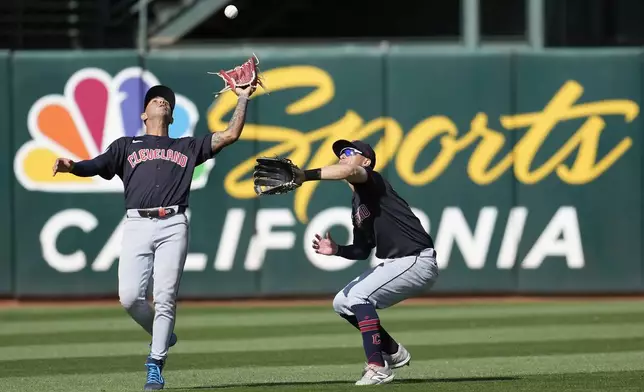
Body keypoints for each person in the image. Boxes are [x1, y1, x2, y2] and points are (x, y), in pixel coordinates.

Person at [52, 83, 255, 390]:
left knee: (165, 298)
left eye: (166, 101)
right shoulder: (126, 146)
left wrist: (241, 98)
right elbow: (96, 165)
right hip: (137, 224)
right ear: (143, 114)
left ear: (171, 116)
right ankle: (163, 333)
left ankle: (155, 363)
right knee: (130, 297)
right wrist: (73, 167)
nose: (161, 101)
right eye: (155, 100)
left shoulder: (186, 146)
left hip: (173, 223)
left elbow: (230, 135)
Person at [303, 139, 439, 385]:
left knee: (358, 297)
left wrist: (304, 175)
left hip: (416, 259)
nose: (342, 156)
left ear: (366, 161)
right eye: (340, 153)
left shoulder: (373, 180)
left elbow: (349, 171)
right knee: (342, 302)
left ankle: (378, 367)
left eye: (348, 152)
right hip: (398, 262)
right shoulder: (357, 205)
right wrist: (337, 249)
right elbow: (362, 250)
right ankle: (393, 351)